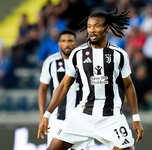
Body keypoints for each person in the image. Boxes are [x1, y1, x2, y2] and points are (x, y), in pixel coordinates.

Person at [37, 7, 144, 150]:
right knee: (53, 148)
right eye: (89, 27)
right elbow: (63, 86)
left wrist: (136, 118)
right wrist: (47, 114)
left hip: (110, 117)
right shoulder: (78, 54)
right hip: (83, 115)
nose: (92, 30)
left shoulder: (119, 54)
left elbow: (128, 86)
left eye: (97, 26)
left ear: (106, 28)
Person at [38, 29, 81, 149]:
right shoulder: (51, 62)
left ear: (75, 43)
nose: (67, 44)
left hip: (79, 118)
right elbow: (42, 88)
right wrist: (43, 116)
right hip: (57, 118)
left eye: (70, 41)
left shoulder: (84, 62)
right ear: (59, 43)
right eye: (63, 41)